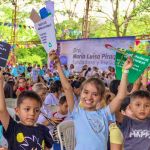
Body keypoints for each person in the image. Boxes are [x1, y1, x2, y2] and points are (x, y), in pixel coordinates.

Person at [49, 50, 133, 150]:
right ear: (81, 92)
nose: (89, 97)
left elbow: (121, 96)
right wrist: (58, 65)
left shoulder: (105, 113)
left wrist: (125, 71)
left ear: (101, 97)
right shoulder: (77, 112)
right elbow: (67, 88)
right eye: (86, 92)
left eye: (95, 94)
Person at [0, 71, 53, 150]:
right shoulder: (13, 128)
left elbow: (47, 148)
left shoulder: (43, 130)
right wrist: (0, 82)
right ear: (17, 111)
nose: (32, 113)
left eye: (36, 110)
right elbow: (2, 110)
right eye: (27, 109)